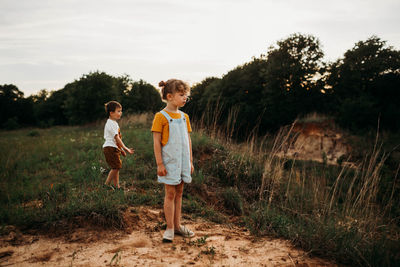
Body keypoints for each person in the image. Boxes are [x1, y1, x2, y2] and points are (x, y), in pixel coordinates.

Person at [152, 79, 195, 242]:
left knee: (180, 193)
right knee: (170, 193)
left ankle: (178, 226)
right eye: (182, 95)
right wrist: (160, 163)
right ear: (169, 96)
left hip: (183, 161)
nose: (185, 98)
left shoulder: (185, 117)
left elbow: (188, 140)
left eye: (186, 95)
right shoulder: (160, 117)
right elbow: (156, 142)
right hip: (169, 162)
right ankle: (169, 228)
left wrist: (190, 161)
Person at [103, 101, 134, 190]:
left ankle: (117, 186)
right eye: (118, 111)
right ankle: (106, 184)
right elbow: (116, 138)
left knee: (116, 167)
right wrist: (125, 148)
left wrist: (121, 150)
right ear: (111, 113)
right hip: (110, 148)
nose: (121, 113)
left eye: (121, 111)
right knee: (116, 167)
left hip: (113, 148)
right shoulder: (110, 124)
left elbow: (116, 141)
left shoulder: (114, 123)